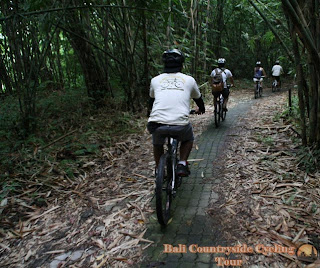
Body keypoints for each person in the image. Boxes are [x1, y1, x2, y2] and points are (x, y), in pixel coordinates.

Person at [147, 49, 205, 177]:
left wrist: (149, 113)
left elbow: (151, 101)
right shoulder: (189, 80)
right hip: (180, 124)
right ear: (182, 65)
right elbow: (198, 99)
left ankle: (159, 169)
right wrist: (201, 109)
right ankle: (182, 163)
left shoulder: (155, 80)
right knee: (188, 138)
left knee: (157, 143)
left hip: (156, 123)